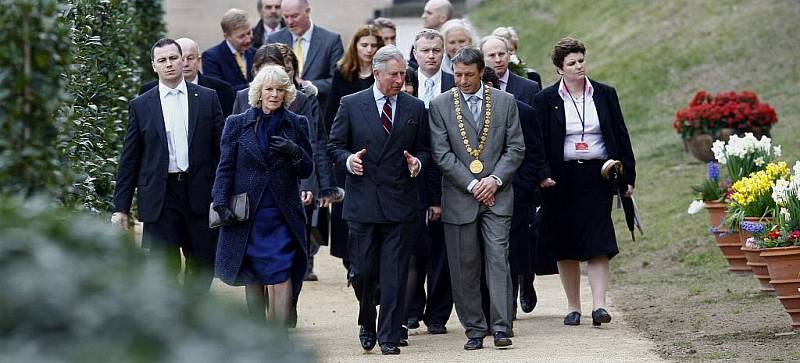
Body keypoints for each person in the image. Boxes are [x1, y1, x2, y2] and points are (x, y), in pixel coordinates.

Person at [327, 45, 430, 355]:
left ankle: (388, 335)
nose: (401, 79)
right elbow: (334, 146)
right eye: (395, 74)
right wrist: (348, 161)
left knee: (395, 272)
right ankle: (367, 319)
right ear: (377, 73)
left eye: (402, 74)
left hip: (400, 203)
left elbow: (426, 149)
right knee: (362, 271)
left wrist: (418, 163)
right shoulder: (351, 104)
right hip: (363, 202)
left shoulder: (414, 108)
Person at [534, 37, 636, 327]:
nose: (579, 67)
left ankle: (600, 305)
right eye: (571, 63)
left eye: (581, 61)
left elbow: (620, 133)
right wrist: (542, 175)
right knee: (565, 242)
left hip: (598, 175)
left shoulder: (604, 94)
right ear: (559, 69)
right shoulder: (545, 100)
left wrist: (628, 174)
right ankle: (573, 306)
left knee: (598, 240)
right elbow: (537, 142)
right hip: (561, 178)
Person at [428, 47, 524, 350]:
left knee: (498, 260)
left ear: (481, 72)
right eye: (457, 75)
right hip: (460, 197)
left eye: (469, 75)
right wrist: (472, 185)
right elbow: (441, 154)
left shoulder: (505, 102)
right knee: (464, 264)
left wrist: (494, 180)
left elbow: (516, 148)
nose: (463, 80)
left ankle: (501, 327)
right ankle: (473, 328)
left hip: (498, 194)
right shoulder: (440, 105)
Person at [111, 38, 224, 290]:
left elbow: (223, 151)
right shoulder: (141, 105)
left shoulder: (207, 98)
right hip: (160, 196)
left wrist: (224, 191)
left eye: (174, 58)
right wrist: (121, 207)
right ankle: (175, 322)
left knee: (203, 263)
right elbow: (130, 158)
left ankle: (192, 314)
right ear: (154, 66)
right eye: (162, 60)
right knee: (164, 266)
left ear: (183, 59)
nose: (170, 64)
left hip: (200, 192)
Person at [212, 65, 314, 327]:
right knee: (253, 274)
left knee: (280, 273)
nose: (274, 94)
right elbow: (225, 167)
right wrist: (221, 202)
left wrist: (295, 152)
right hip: (249, 213)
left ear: (287, 93)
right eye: (269, 89)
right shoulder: (236, 124)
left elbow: (307, 168)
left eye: (280, 89)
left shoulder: (297, 123)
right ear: (258, 92)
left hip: (282, 214)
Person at [232, 44, 338, 282]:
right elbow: (233, 148)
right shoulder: (242, 98)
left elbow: (314, 143)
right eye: (264, 71)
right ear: (255, 71)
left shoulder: (302, 100)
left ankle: (299, 278)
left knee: (290, 254)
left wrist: (309, 185)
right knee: (257, 266)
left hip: (291, 184)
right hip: (254, 191)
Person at [480, 67, 557, 320]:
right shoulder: (469, 117)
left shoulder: (523, 112)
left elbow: (535, 152)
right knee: (492, 250)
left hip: (517, 191)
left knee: (514, 248)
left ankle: (517, 291)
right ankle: (496, 302)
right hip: (480, 192)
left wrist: (522, 187)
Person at [402, 28, 454, 337]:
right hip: (412, 177)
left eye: (436, 49)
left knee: (443, 251)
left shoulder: (453, 83)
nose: (431, 55)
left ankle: (438, 313)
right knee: (411, 248)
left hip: (449, 177)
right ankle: (411, 308)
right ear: (416, 52)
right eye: (425, 50)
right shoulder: (405, 82)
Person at [324, 24, 384, 266]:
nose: (369, 50)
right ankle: (351, 260)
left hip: (378, 149)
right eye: (365, 45)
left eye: (374, 45)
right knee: (346, 209)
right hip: (348, 152)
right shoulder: (343, 73)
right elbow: (331, 115)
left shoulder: (384, 74)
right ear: (355, 46)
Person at [268, 0, 344, 115]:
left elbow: (338, 80)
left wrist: (308, 85)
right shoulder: (273, 39)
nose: (289, 22)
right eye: (285, 16)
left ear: (307, 11)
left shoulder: (331, 40)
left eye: (294, 16)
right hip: (281, 114)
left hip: (319, 113)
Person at [139, 38, 235, 117]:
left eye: (190, 58)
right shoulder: (147, 92)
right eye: (182, 59)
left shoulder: (221, 89)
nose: (185, 64)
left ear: (198, 60)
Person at [202, 8, 256, 92]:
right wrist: (256, 86)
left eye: (249, 33)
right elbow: (219, 91)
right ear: (226, 36)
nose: (248, 40)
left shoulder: (256, 53)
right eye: (241, 36)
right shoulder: (211, 57)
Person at [480, 35, 539, 107]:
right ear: (482, 58)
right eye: (492, 55)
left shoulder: (529, 88)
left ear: (509, 55)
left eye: (501, 54)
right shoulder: (475, 87)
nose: (498, 60)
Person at [409, 0, 454, 69]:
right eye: (425, 50)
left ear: (443, 18)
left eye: (429, 13)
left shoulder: (455, 42)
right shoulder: (420, 41)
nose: (423, 16)